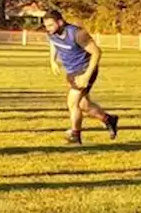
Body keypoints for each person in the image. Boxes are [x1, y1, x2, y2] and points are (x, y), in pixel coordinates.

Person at [43, 10, 119, 144]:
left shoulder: (77, 34)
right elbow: (53, 43)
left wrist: (86, 76)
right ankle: (108, 119)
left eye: (50, 25)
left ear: (60, 22)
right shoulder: (52, 34)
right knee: (84, 104)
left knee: (72, 103)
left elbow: (96, 52)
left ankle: (75, 135)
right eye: (46, 26)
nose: (48, 29)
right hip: (71, 71)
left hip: (85, 69)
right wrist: (52, 60)